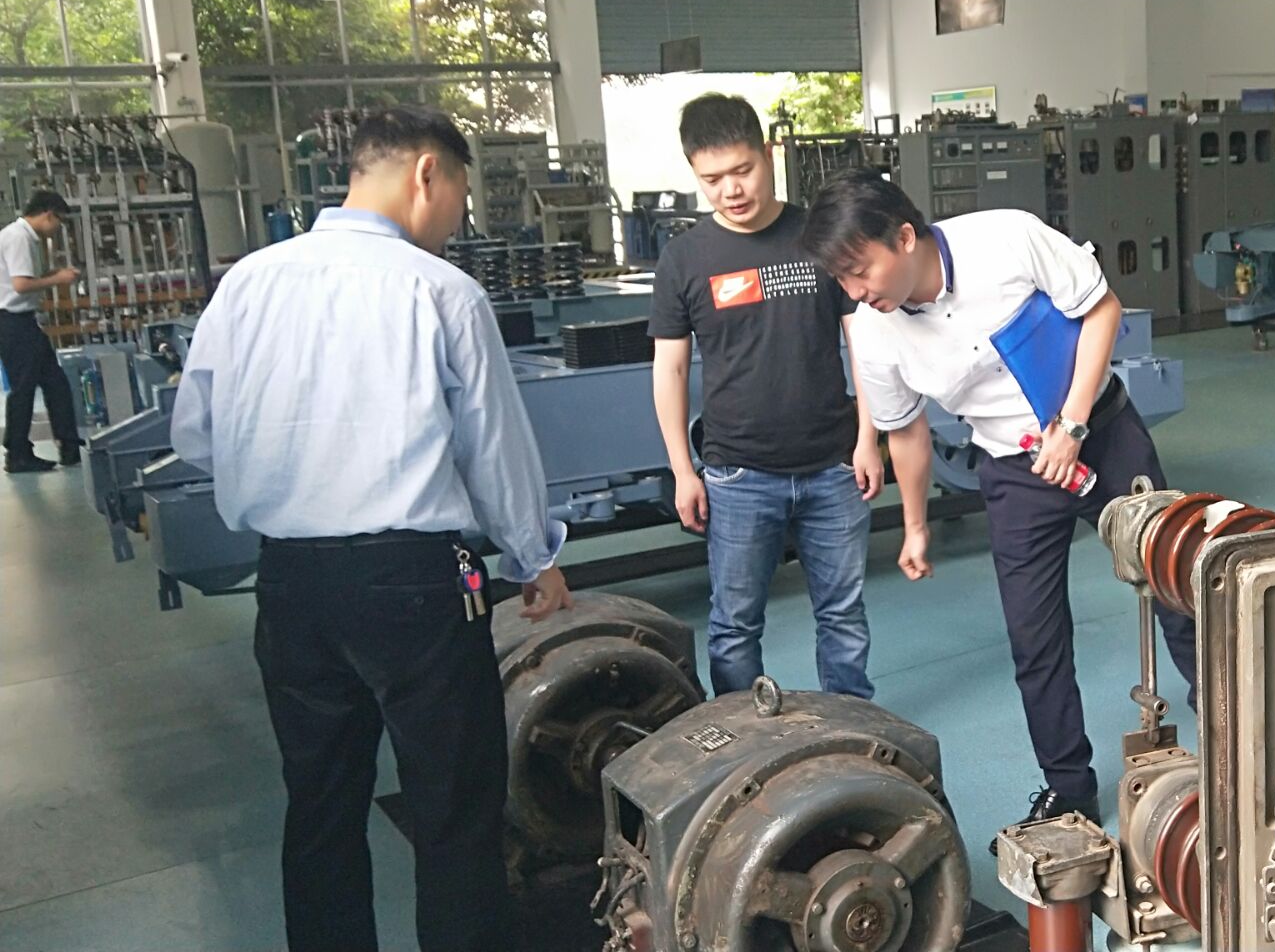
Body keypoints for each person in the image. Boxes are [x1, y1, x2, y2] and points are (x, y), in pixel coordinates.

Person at [170, 106, 573, 952]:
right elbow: (494, 447)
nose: (458, 217)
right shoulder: (440, 290)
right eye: (460, 193)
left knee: (320, 804)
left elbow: (196, 434)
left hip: (290, 584)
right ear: (427, 173)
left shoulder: (248, 282)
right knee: (453, 810)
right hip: (415, 587)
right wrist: (534, 556)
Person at [800, 170, 1198, 835]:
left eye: (860, 271)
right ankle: (1068, 788)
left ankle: (1230, 726)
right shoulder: (874, 331)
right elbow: (906, 431)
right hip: (1015, 472)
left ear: (904, 237)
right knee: (1035, 639)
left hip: (1101, 433)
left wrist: (1072, 424)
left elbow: (1101, 309)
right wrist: (916, 526)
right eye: (842, 280)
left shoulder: (1005, 238)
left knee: (1174, 586)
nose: (856, 292)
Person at [650, 93, 883, 699]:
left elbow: (864, 344)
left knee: (843, 617)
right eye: (712, 179)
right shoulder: (684, 259)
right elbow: (669, 370)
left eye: (742, 170)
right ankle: (740, 737)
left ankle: (851, 724)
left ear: (769, 154)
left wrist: (868, 438)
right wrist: (683, 471)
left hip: (834, 467)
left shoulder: (819, 237)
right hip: (737, 473)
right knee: (733, 627)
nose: (731, 190)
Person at [0, 190, 83, 473]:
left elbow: (22, 281)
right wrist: (57, 279)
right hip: (12, 321)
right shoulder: (19, 237)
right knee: (24, 388)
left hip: (21, 321)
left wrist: (52, 275)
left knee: (54, 381)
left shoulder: (23, 237)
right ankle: (17, 453)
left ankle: (70, 445)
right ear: (48, 214)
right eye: (59, 221)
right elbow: (21, 285)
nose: (57, 228)